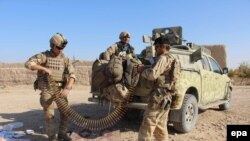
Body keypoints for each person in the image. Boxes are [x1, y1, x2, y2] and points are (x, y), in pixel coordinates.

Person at [25, 33, 75, 141]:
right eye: (59, 47)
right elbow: (28, 64)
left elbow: (72, 75)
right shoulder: (44, 56)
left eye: (63, 47)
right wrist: (43, 68)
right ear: (52, 46)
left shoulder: (66, 59)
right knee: (49, 115)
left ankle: (62, 134)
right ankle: (52, 138)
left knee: (65, 113)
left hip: (61, 89)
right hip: (47, 89)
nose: (61, 50)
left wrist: (68, 88)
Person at [137, 36, 179, 141]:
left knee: (147, 125)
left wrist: (142, 70)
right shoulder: (173, 58)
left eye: (156, 47)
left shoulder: (163, 58)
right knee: (161, 126)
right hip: (166, 97)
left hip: (158, 97)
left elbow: (152, 74)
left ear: (163, 47)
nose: (155, 50)